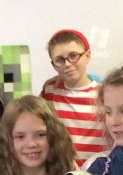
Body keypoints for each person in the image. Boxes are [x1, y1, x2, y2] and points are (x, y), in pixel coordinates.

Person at [40, 28, 105, 167]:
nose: (67, 64)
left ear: (87, 56)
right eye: (59, 60)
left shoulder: (105, 93)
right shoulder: (50, 91)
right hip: (63, 170)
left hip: (100, 171)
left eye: (73, 56)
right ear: (53, 64)